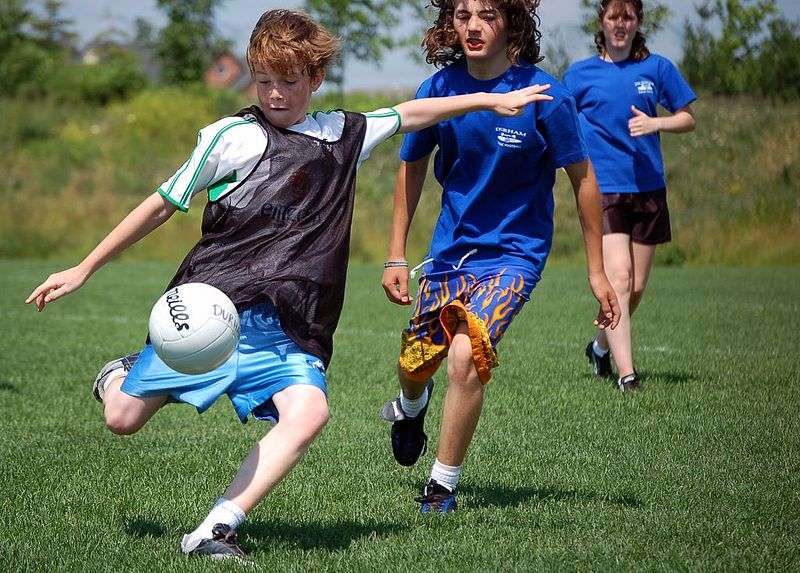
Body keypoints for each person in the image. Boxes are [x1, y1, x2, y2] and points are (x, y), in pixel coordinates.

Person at [24, 9, 554, 559]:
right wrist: (83, 267)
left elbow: (411, 113)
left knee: (310, 411)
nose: (276, 94)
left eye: (290, 81)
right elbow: (161, 204)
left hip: (291, 329)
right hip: (212, 311)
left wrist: (488, 100)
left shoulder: (341, 133)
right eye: (265, 80)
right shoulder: (230, 137)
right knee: (122, 418)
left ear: (315, 79)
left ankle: (217, 527)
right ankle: (118, 375)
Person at [379, 0, 620, 514]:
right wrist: (395, 254)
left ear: (509, 21)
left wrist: (597, 272)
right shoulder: (437, 91)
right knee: (415, 365)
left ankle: (441, 486)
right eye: (463, 14)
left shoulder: (545, 96)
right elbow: (410, 169)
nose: (473, 25)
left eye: (487, 14)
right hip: (449, 254)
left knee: (467, 356)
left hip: (516, 254)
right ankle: (410, 407)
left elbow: (584, 181)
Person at [564, 0, 697, 392]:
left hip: (648, 187)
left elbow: (688, 117)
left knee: (635, 288)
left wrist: (657, 121)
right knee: (619, 279)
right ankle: (627, 376)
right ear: (602, 21)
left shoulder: (656, 68)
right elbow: (558, 119)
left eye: (628, 17)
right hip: (603, 190)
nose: (620, 24)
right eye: (613, 17)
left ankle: (599, 348)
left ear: (638, 22)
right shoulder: (579, 74)